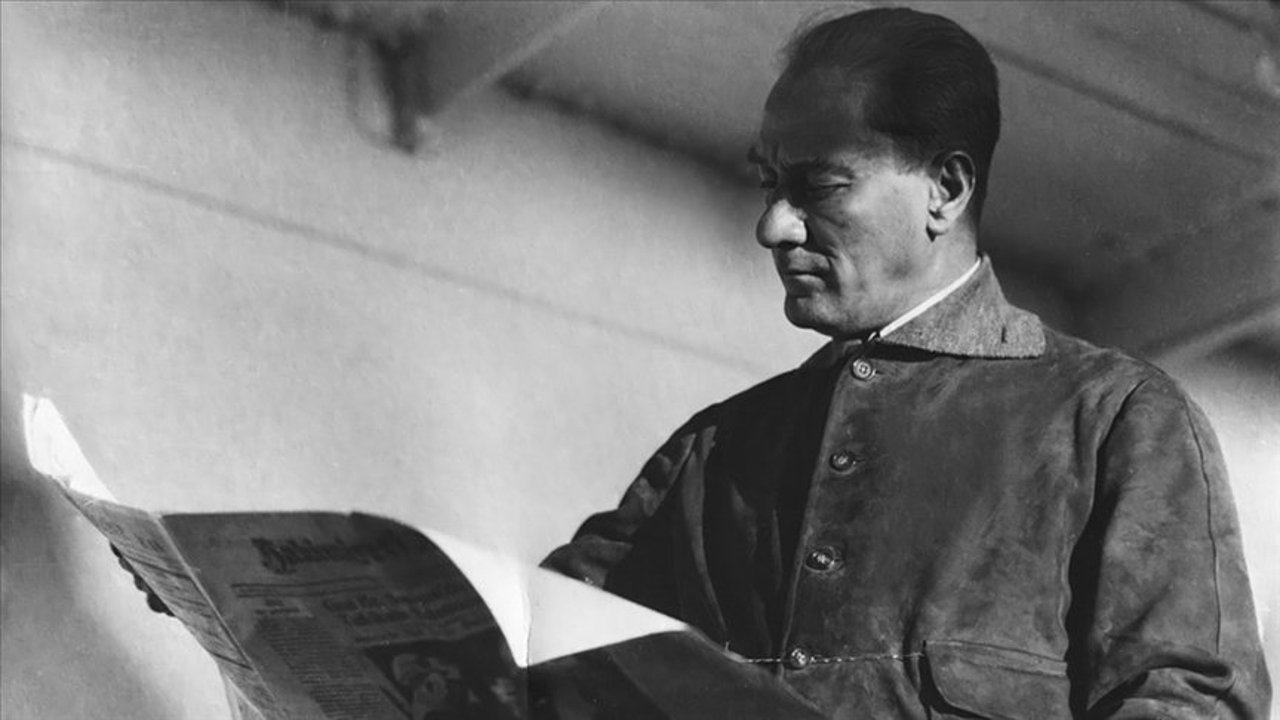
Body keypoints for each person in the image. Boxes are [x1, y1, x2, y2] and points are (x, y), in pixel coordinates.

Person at [541, 7, 1271, 718]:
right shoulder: (709, 455)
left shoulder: (1115, 420)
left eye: (820, 186)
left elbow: (1188, 703)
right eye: (770, 184)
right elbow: (532, 664)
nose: (773, 226)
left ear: (946, 190)